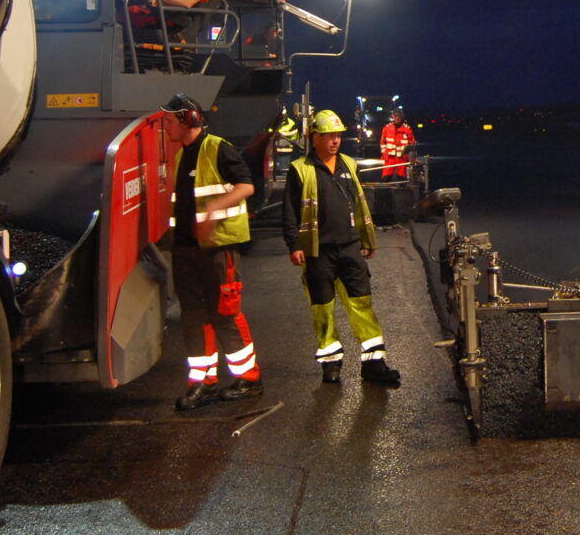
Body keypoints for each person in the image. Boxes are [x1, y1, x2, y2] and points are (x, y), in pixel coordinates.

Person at [282, 109, 401, 386]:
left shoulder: (348, 163)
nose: (335, 141)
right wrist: (293, 245)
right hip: (318, 251)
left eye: (338, 135)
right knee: (322, 308)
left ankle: (373, 365)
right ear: (315, 138)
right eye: (329, 136)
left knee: (362, 304)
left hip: (349, 247)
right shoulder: (300, 169)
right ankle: (331, 364)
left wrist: (367, 240)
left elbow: (358, 204)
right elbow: (290, 211)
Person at [162, 94, 263, 410]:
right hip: (187, 250)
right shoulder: (180, 156)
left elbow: (246, 186)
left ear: (188, 119)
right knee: (193, 318)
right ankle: (203, 383)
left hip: (219, 249)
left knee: (226, 314)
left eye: (169, 121)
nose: (166, 127)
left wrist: (213, 210)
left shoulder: (217, 148)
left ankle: (249, 379)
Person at [379, 108, 416, 179]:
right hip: (390, 158)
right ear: (392, 116)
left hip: (402, 158)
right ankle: (386, 190)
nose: (397, 118)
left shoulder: (407, 130)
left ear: (402, 117)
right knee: (386, 177)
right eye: (395, 116)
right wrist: (384, 154)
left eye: (399, 116)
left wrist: (412, 158)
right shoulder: (387, 128)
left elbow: (412, 145)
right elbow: (382, 143)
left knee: (402, 179)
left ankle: (401, 189)